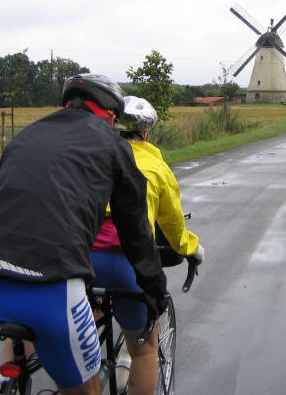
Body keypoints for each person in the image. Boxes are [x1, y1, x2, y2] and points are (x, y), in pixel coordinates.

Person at [0, 74, 167, 395]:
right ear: (110, 115)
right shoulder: (112, 144)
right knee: (83, 387)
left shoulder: (27, 135)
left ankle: (6, 379)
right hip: (48, 289)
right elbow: (134, 229)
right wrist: (154, 289)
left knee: (25, 335)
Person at [91, 95, 204, 395]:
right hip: (128, 260)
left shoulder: (92, 156)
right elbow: (172, 222)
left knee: (84, 328)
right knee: (144, 349)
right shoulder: (155, 165)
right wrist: (190, 248)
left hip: (83, 256)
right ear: (145, 132)